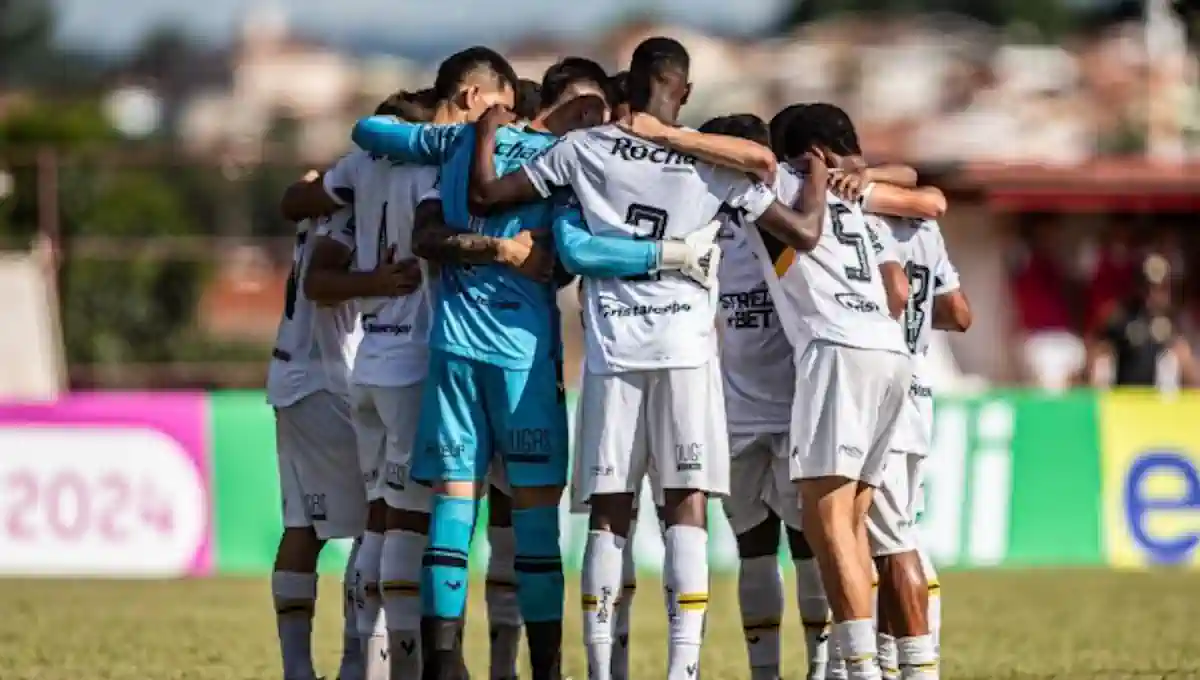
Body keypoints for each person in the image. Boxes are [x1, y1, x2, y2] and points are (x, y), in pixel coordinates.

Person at [464, 36, 831, 680]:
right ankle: (682, 671)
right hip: (687, 356)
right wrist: (823, 176)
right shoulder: (715, 166)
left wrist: (490, 130)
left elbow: (489, 195)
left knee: (610, 512)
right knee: (685, 508)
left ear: (627, 88)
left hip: (613, 354)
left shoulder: (584, 150)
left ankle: (606, 671)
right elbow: (801, 232)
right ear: (683, 91)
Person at [350, 56, 611, 680]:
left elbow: (370, 132)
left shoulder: (457, 141)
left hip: (455, 350)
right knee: (533, 516)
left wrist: (478, 131)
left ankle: (443, 664)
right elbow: (567, 255)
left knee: (453, 504)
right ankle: (544, 669)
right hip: (522, 360)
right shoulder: (571, 162)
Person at [752, 101, 913, 680]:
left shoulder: (790, 184)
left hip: (836, 347)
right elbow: (898, 282)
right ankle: (872, 665)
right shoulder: (862, 196)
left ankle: (861, 668)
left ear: (801, 154)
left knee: (825, 523)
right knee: (857, 518)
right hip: (890, 351)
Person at [267, 196, 367, 680]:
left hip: (292, 376)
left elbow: (293, 198)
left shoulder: (326, 198)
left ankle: (298, 670)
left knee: (303, 528)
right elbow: (321, 284)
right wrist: (381, 283)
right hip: (325, 380)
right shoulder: (358, 202)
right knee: (383, 522)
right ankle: (355, 665)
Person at [1085, 253, 1199, 390]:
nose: (1154, 294)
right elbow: (1096, 349)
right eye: (1149, 287)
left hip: (1150, 400)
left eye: (1162, 288)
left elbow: (1184, 358)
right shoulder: (1121, 316)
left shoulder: (1169, 322)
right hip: (1122, 396)